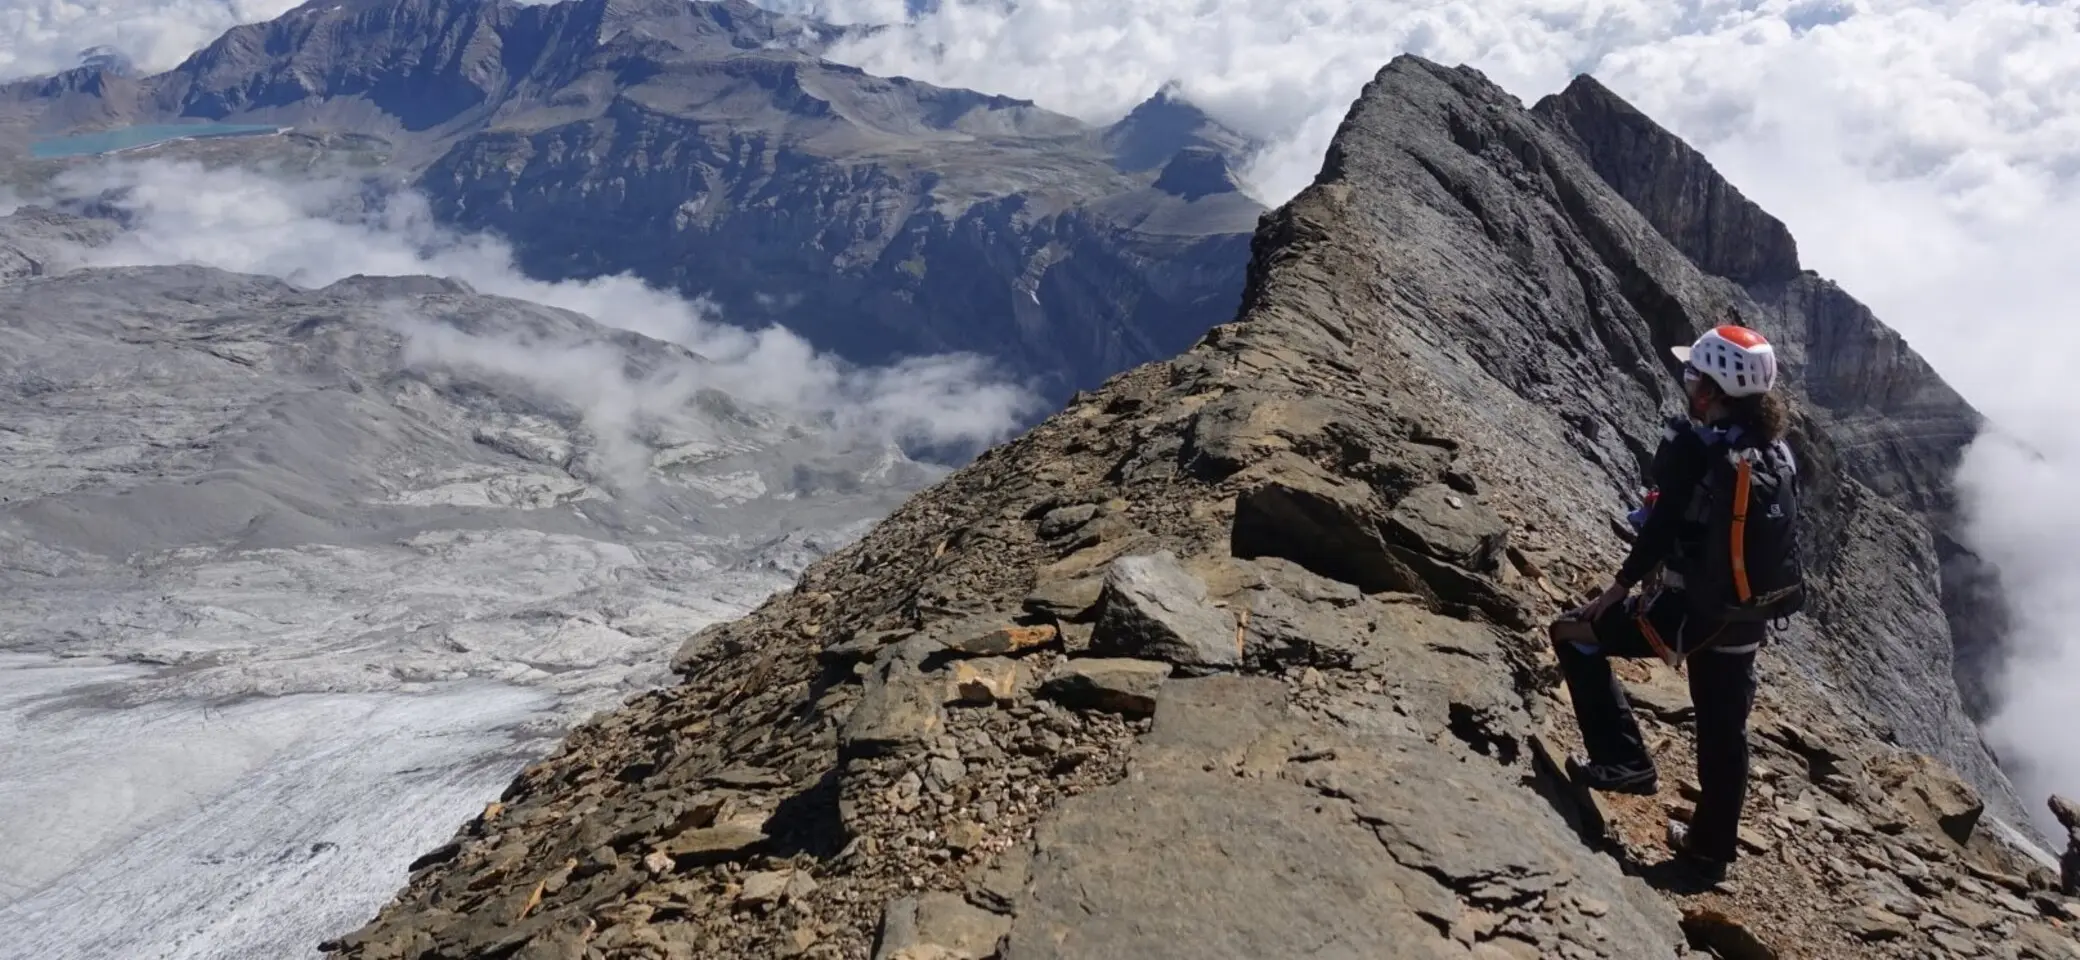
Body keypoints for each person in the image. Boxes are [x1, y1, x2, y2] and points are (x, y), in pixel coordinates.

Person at [1549, 322, 1804, 885]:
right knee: (1724, 733)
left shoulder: (1696, 449)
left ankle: (1625, 762)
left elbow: (1661, 529)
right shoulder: (1776, 451)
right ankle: (1710, 852)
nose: (1687, 381)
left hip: (1686, 612)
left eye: (1694, 374)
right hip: (1745, 614)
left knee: (1573, 634)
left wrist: (1616, 589)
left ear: (1710, 390)